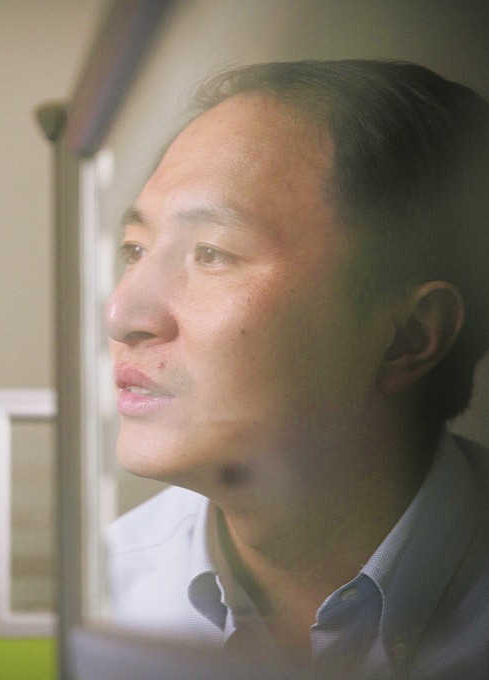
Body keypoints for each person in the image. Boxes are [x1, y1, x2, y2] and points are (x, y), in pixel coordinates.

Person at [105, 60, 489, 679]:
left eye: (211, 253)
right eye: (135, 250)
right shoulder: (107, 595)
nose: (123, 314)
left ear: (408, 336)